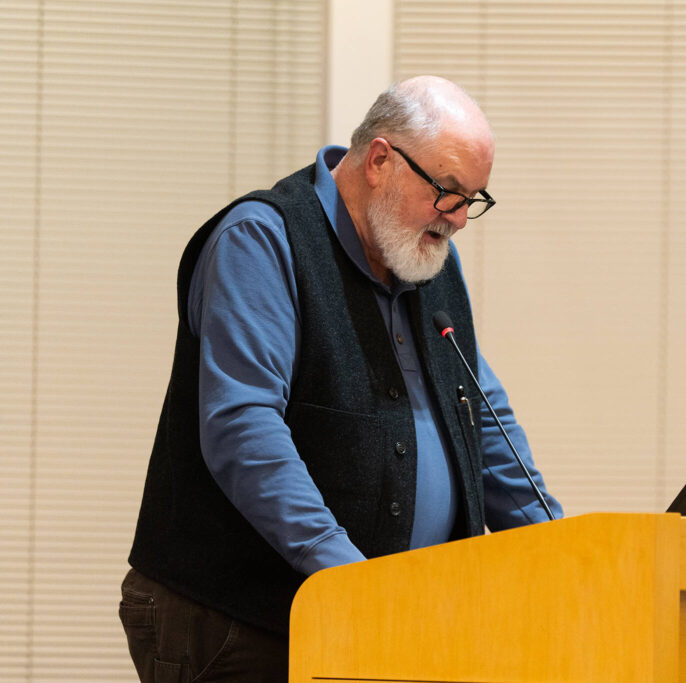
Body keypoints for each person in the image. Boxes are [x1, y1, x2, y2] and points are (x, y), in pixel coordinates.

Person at [119, 75, 562, 682]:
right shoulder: (263, 240)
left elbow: (480, 415)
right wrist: (352, 581)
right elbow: (244, 431)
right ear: (380, 159)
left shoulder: (427, 259)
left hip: (372, 622)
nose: (458, 219)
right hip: (237, 623)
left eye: (473, 200)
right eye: (448, 192)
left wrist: (564, 554)